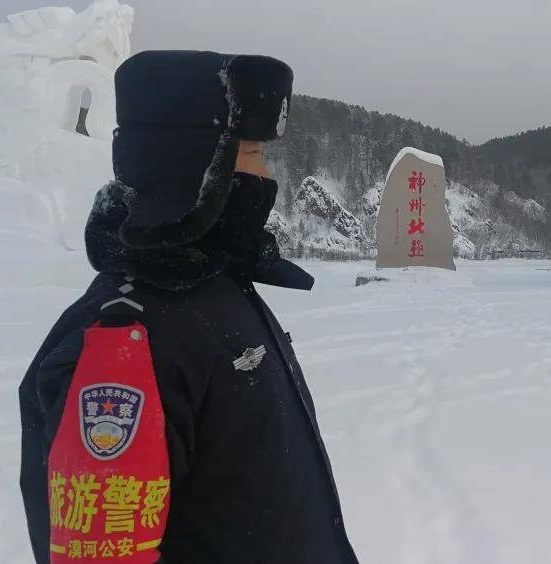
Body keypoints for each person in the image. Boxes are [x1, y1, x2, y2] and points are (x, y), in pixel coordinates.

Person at [19, 50, 359, 564]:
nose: (266, 177)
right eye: (253, 155)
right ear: (192, 165)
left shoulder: (215, 290)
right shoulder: (126, 339)